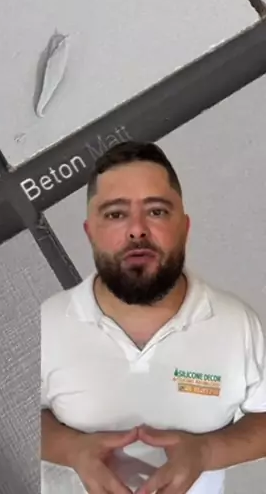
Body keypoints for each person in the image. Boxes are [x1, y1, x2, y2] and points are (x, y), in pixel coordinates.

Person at [41, 141, 266, 494]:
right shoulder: (46, 323)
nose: (137, 230)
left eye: (157, 211)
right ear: (90, 231)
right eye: (115, 214)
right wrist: (71, 449)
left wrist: (206, 452)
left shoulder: (238, 325)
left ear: (185, 226)